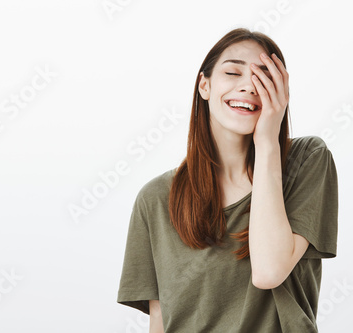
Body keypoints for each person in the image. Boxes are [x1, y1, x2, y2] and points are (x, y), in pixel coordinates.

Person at [116, 27, 338, 333]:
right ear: (204, 85)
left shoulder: (306, 160)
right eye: (233, 72)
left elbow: (269, 271)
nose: (249, 85)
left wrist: (268, 143)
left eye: (264, 77)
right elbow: (161, 320)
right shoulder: (155, 198)